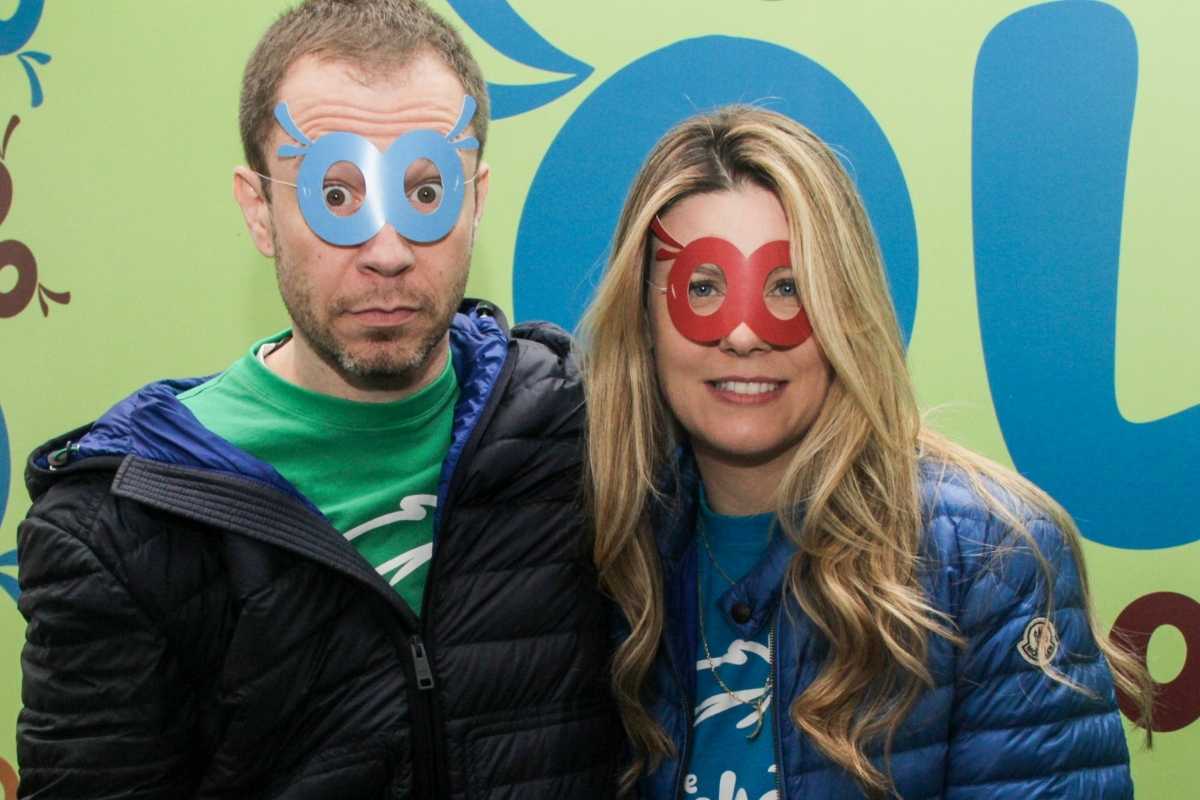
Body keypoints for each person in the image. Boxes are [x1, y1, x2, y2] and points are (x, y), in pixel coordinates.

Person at [15, 1, 621, 797]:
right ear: (259, 210)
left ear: (476, 200)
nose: (387, 252)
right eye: (335, 197)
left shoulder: (583, 431)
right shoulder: (121, 525)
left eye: (426, 191)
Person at [581, 106, 1153, 799]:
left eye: (787, 287)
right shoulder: (604, 547)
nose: (740, 335)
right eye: (702, 288)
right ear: (642, 320)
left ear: (845, 310)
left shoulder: (993, 560)